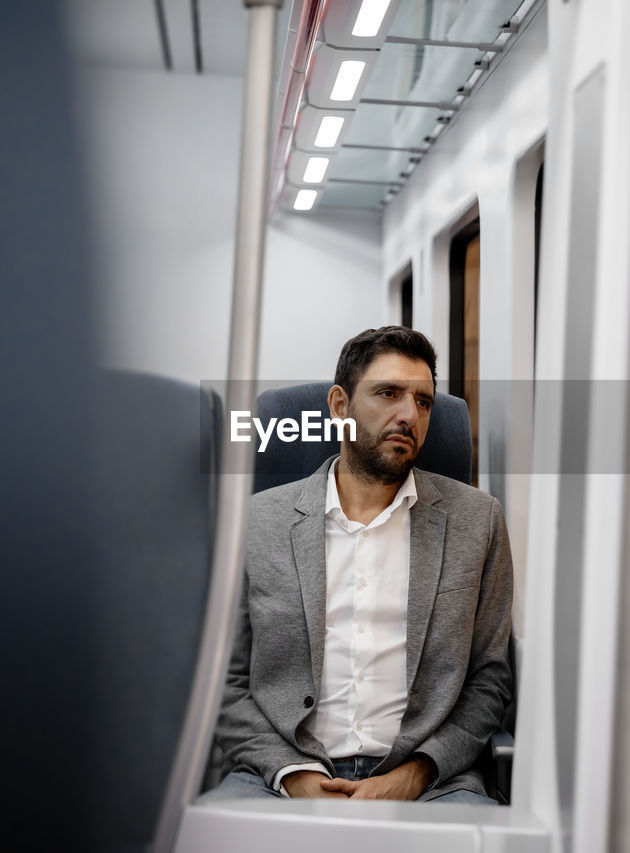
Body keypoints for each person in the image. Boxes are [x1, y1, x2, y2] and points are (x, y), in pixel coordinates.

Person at [200, 326, 513, 803]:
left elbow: (489, 679)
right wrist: (292, 774)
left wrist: (415, 774)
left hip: (433, 782)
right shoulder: (255, 522)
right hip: (277, 771)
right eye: (388, 393)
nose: (408, 415)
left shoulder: (479, 520)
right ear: (340, 406)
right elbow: (226, 678)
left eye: (423, 402)